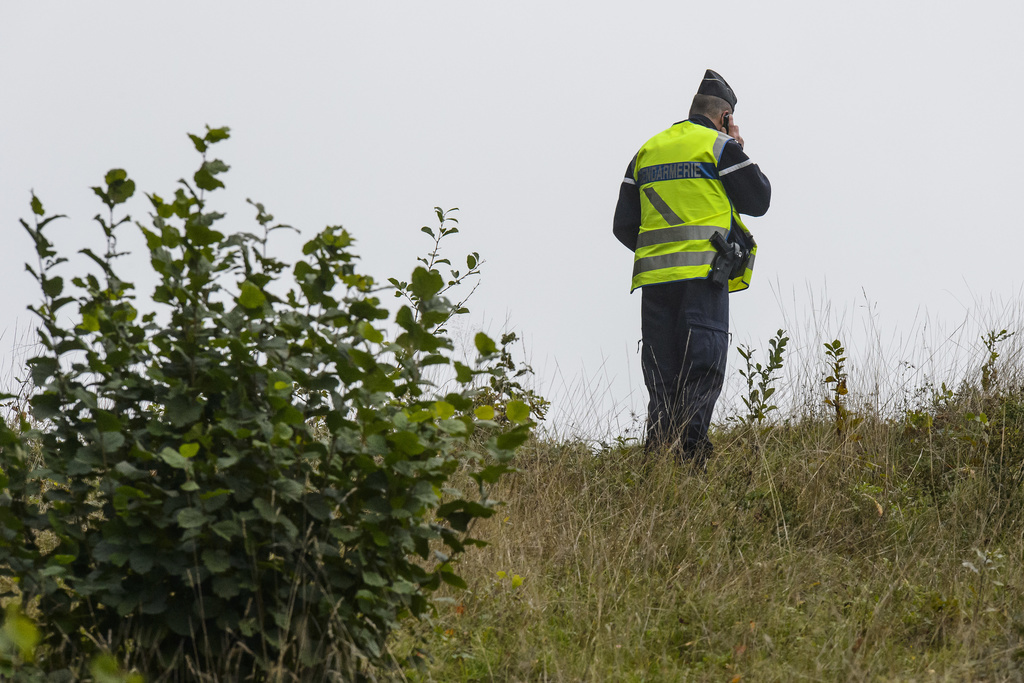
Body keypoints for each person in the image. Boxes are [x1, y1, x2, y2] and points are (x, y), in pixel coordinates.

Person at [612, 69, 771, 465]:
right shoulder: (718, 146)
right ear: (724, 116)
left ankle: (657, 458)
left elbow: (623, 226)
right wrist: (735, 144)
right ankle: (690, 460)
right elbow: (760, 199)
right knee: (701, 367)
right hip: (703, 279)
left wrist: (661, 253)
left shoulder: (647, 151)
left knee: (662, 375)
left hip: (656, 283)